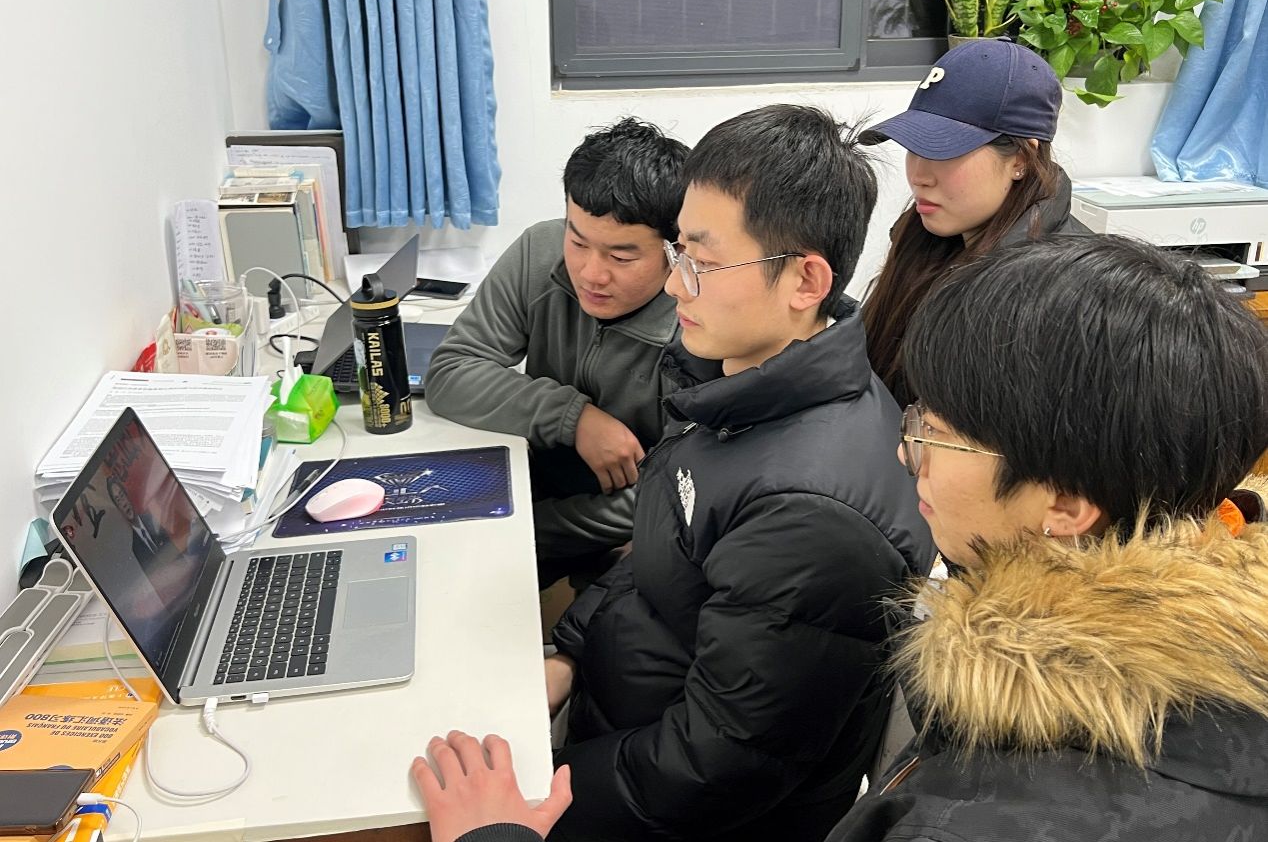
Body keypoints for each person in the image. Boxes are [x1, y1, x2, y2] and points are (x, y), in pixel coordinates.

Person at [412, 235, 1268, 842]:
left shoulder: (1001, 814)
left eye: (937, 435)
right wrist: (571, 650)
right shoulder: (1076, 659)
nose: (905, 451)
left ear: (1068, 505)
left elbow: (719, 762)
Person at [417, 104, 935, 841]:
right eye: (677, 252)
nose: (673, 286)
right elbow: (660, 550)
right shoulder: (733, 381)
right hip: (616, 725)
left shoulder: (812, 514)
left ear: (805, 280)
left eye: (702, 262)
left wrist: (541, 792)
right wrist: (569, 654)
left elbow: (710, 771)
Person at [424, 118, 690, 588]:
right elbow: (451, 371)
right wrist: (573, 418)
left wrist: (523, 530)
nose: (591, 273)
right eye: (578, 241)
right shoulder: (540, 249)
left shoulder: (698, 321)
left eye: (621, 257)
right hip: (530, 481)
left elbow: (679, 495)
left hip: (627, 524)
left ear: (675, 251)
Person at [860, 38, 1089, 406]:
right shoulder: (925, 242)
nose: (919, 176)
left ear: (1021, 159)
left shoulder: (1063, 293)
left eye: (943, 150)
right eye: (914, 148)